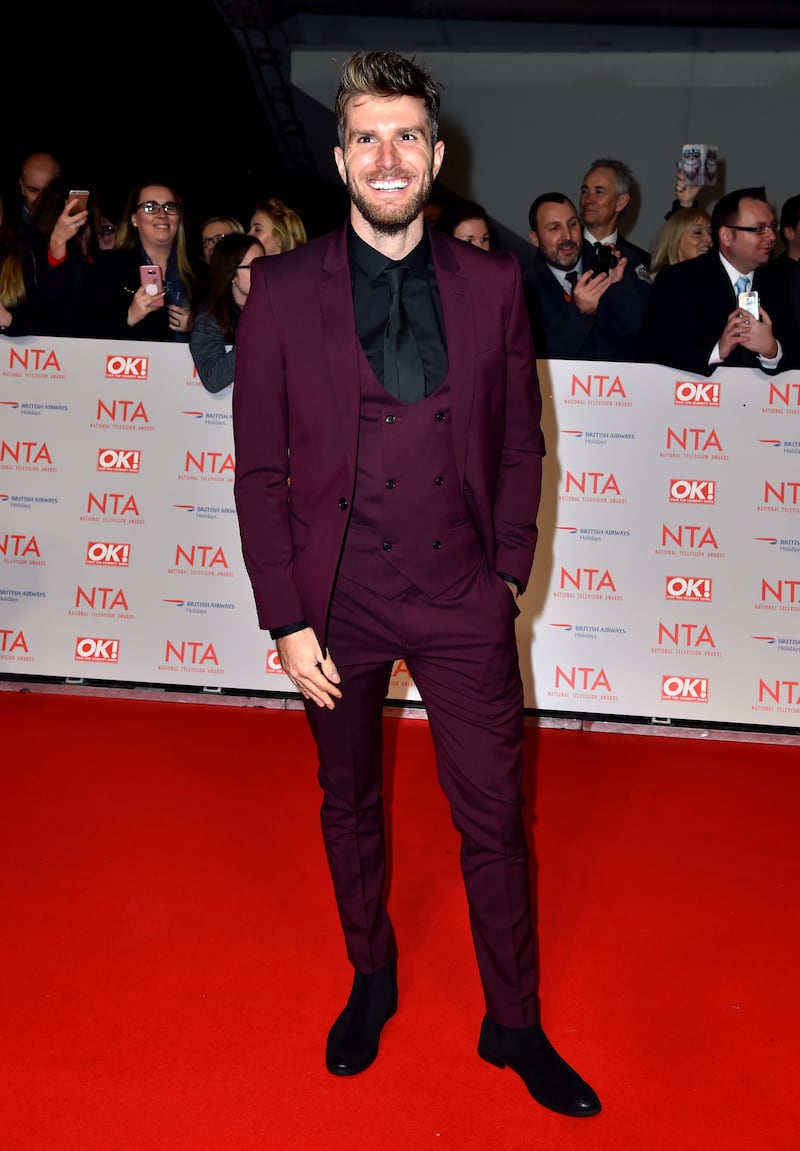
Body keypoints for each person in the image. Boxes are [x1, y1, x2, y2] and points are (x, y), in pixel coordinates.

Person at [232, 49, 601, 1119]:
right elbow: (259, 468)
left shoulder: (492, 283)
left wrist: (501, 577)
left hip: (458, 600)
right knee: (347, 801)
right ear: (340, 157)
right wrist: (285, 614)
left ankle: (513, 1020)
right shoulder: (284, 291)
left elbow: (521, 445)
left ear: (434, 156)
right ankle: (372, 973)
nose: (385, 156)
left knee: (492, 815)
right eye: (363, 136)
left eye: (405, 136)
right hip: (335, 602)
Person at [639, 186, 784, 375]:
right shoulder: (679, 280)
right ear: (726, 236)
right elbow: (652, 349)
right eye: (759, 229)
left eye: (772, 227)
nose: (772, 236)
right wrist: (717, 350)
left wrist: (771, 351)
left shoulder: (779, 283)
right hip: (692, 399)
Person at [523, 191, 650, 361]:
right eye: (554, 228)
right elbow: (535, 359)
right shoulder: (524, 289)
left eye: (573, 224)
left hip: (621, 385)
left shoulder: (620, 261)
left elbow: (648, 334)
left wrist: (616, 287)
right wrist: (579, 311)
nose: (567, 236)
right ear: (535, 238)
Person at [79, 181, 196, 341]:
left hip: (188, 365)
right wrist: (129, 317)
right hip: (130, 364)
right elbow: (83, 329)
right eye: (150, 207)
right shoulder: (109, 267)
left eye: (170, 207)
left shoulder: (201, 271)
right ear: (134, 219)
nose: (162, 215)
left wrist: (195, 326)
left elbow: (227, 330)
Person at [189, 232, 265, 393]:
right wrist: (253, 334)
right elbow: (213, 378)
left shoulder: (275, 309)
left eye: (264, 264)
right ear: (231, 273)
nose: (262, 272)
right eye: (253, 267)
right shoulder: (210, 317)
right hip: (229, 412)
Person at [579, 157, 651, 275]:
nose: (588, 200)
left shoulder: (639, 261)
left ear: (621, 201)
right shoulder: (563, 251)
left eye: (599, 192)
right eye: (584, 191)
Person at [649, 207, 713, 277]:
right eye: (697, 232)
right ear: (675, 240)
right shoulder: (655, 283)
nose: (709, 238)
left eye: (710, 233)